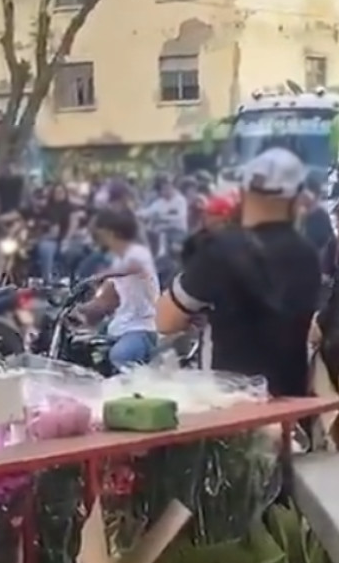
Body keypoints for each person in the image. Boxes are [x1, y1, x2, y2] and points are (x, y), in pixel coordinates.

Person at [157, 148, 320, 397]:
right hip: (289, 402)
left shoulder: (220, 250)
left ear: (243, 192)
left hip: (230, 405)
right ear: (297, 198)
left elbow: (166, 320)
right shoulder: (308, 255)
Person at [72, 208, 160, 370]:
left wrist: (100, 276)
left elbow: (134, 267)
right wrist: (76, 308)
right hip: (119, 327)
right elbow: (105, 301)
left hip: (141, 328)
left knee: (119, 357)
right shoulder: (118, 259)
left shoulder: (137, 254)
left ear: (108, 232)